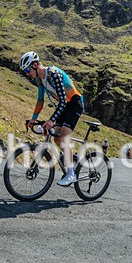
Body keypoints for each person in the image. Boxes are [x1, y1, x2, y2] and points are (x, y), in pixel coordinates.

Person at [19, 51, 84, 187]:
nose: (27, 74)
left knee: (64, 137)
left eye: (27, 69)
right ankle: (72, 157)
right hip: (65, 105)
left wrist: (51, 120)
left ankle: (71, 174)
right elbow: (40, 101)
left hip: (74, 103)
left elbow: (62, 101)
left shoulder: (54, 74)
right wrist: (33, 119)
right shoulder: (40, 80)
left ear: (35, 65)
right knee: (56, 138)